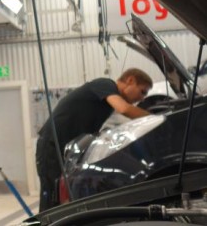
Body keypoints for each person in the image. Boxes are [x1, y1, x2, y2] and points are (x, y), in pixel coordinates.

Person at [35, 68, 153, 212]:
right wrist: (154, 118)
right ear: (130, 80)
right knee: (51, 199)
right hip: (51, 146)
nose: (142, 98)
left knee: (62, 199)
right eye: (142, 92)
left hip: (64, 150)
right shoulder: (105, 84)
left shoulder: (106, 104)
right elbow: (124, 109)